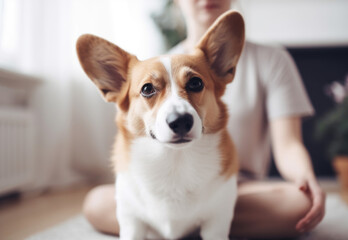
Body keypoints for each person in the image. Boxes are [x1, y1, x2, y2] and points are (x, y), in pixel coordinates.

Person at [83, 0, 326, 238]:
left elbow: (288, 144)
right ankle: (187, 226)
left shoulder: (271, 59)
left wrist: (306, 176)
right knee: (95, 202)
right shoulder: (155, 64)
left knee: (298, 202)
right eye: (149, 90)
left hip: (234, 185)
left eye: (195, 84)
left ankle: (183, 226)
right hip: (157, 191)